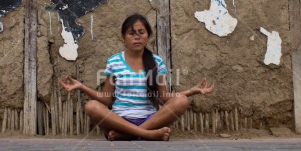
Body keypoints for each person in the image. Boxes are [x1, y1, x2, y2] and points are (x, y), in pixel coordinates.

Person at [58, 14, 214, 141]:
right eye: (131, 33)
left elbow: (164, 98)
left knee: (182, 101)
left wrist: (192, 91)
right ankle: (146, 134)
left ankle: (130, 135)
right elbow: (106, 99)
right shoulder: (114, 61)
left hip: (150, 119)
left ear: (148, 36)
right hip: (119, 120)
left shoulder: (156, 62)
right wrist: (81, 86)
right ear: (123, 37)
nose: (137, 37)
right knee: (91, 106)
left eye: (141, 33)